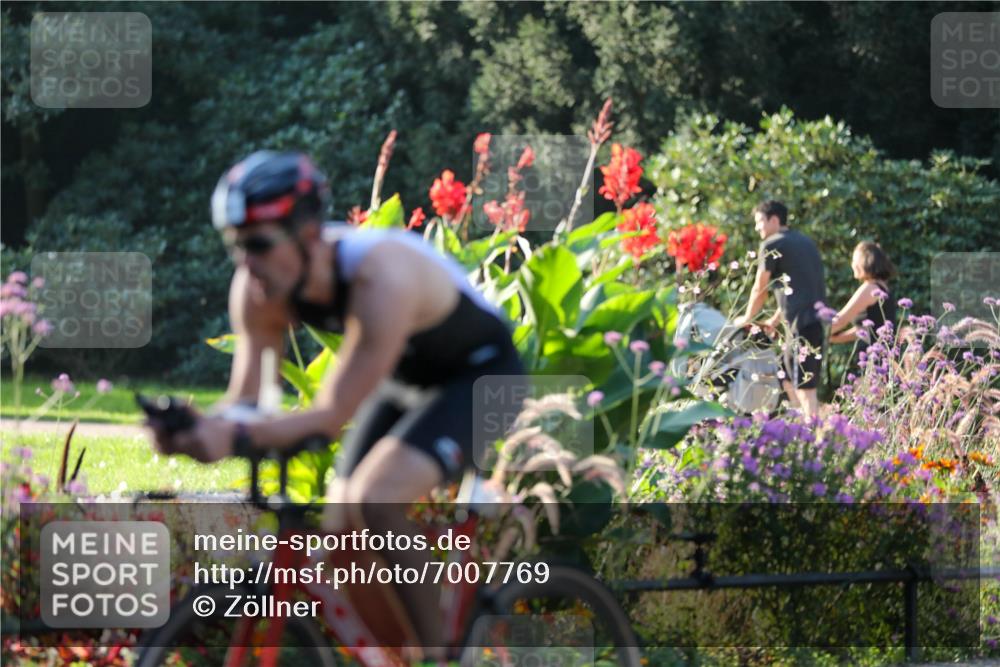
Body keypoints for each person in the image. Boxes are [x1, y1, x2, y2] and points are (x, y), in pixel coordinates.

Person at [146, 150, 524, 661]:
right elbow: (248, 402)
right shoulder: (258, 289)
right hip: (408, 379)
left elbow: (329, 415)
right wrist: (197, 428)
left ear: (306, 236)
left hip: (483, 375)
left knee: (375, 498)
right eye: (235, 246)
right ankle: (400, 656)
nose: (245, 263)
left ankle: (447, 656)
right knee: (342, 534)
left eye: (257, 244)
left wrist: (232, 437)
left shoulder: (378, 276)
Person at [732, 200, 826, 419]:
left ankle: (815, 437)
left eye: (759, 222)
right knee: (785, 377)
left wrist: (747, 318)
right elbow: (799, 289)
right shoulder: (805, 242)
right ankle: (805, 428)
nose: (757, 228)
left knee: (805, 389)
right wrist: (774, 321)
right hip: (811, 324)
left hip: (801, 326)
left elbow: (760, 288)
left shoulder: (772, 244)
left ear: (774, 220)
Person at [829, 241, 897, 351]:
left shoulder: (870, 288)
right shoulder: (883, 286)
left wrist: (811, 334)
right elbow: (865, 331)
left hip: (874, 358)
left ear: (865, 262)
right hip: (882, 356)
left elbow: (841, 320)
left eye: (854, 260)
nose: (852, 264)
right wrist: (833, 338)